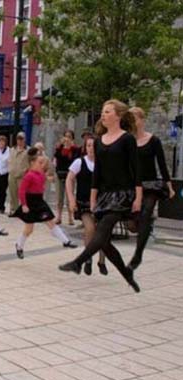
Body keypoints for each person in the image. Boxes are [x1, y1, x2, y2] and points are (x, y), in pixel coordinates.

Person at [59, 99, 142, 293]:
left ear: (118, 116)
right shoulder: (98, 142)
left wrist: (138, 198)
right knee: (103, 242)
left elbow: (137, 170)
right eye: (102, 112)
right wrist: (94, 198)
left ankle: (78, 262)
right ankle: (127, 274)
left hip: (123, 195)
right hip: (105, 195)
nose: (103, 115)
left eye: (107, 112)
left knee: (102, 229)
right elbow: (97, 174)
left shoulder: (127, 139)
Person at [127, 107, 175, 270]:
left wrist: (169, 186)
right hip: (133, 185)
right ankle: (144, 223)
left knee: (146, 213)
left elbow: (162, 164)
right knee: (133, 224)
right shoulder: (128, 141)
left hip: (151, 184)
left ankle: (138, 255)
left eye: (136, 119)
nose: (134, 122)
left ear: (142, 120)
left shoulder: (153, 141)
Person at [13, 147, 77, 259]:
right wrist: (24, 205)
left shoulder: (40, 173)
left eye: (42, 163)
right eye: (39, 162)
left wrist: (49, 178)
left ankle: (66, 241)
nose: (41, 165)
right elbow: (22, 191)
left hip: (39, 201)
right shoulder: (28, 175)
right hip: (30, 202)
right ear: (32, 163)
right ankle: (19, 245)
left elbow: (43, 180)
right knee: (29, 229)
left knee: (50, 222)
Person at [66, 136, 107, 276]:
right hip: (83, 203)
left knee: (103, 231)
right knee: (90, 228)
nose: (91, 148)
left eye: (93, 146)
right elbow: (69, 179)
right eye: (88, 145)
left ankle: (102, 260)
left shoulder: (103, 163)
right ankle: (88, 258)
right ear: (85, 148)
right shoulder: (79, 162)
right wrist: (71, 199)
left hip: (101, 202)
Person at [54, 130, 81, 225]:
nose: (67, 139)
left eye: (69, 136)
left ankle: (70, 217)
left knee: (69, 196)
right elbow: (56, 157)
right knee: (59, 197)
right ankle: (59, 216)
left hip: (69, 175)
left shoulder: (75, 149)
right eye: (66, 136)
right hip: (59, 174)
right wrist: (60, 146)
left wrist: (70, 148)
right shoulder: (60, 148)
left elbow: (74, 160)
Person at [8, 132, 29, 216]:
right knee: (12, 193)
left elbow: (30, 163)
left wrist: (25, 171)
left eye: (21, 139)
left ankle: (22, 210)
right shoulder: (12, 149)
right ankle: (13, 210)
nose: (20, 141)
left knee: (22, 194)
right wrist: (9, 169)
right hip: (12, 174)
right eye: (18, 139)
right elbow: (9, 160)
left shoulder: (27, 150)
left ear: (24, 140)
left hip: (22, 176)